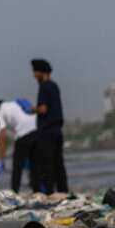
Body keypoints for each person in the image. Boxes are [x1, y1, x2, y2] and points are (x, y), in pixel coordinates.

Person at [31, 58, 68, 194]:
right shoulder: (54, 85)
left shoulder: (44, 86)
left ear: (41, 72)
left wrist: (31, 109)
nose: (34, 76)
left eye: (35, 72)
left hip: (47, 132)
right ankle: (63, 191)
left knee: (47, 165)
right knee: (59, 164)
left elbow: (43, 109)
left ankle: (50, 193)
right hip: (57, 130)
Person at [0, 98, 39, 194]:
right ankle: (37, 191)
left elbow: (2, 137)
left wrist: (2, 159)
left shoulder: (0, 112)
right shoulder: (14, 103)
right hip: (37, 130)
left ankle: (15, 192)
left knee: (17, 167)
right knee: (35, 164)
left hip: (23, 134)